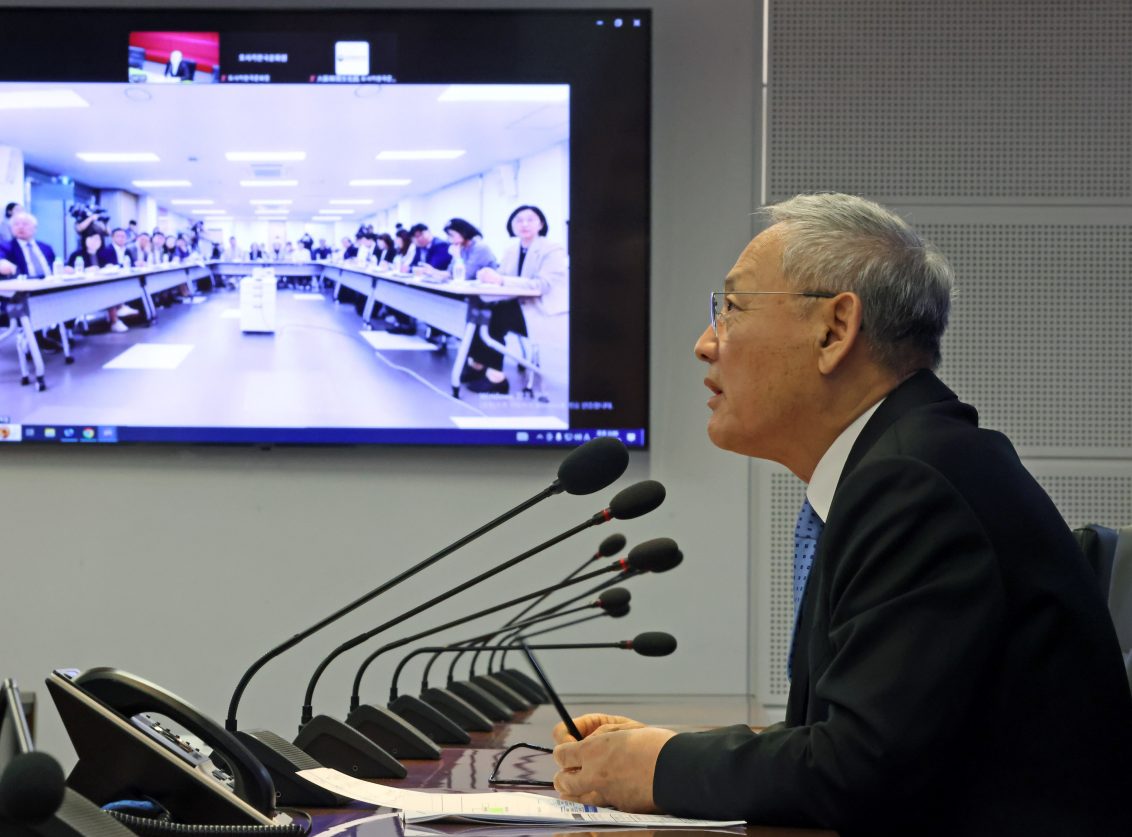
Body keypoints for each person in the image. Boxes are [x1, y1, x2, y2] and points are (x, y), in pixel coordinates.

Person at [548, 193, 1132, 834]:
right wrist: (661, 750)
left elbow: (858, 771)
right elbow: (847, 736)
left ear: (834, 330)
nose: (705, 344)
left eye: (732, 309)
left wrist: (661, 768)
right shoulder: (907, 464)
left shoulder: (915, 485)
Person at [461, 205, 570, 393]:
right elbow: (502, 275)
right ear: (512, 225)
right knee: (479, 309)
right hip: (518, 307)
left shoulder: (553, 249)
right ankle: (478, 364)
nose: (524, 224)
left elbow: (542, 285)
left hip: (542, 311)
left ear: (541, 224)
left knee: (495, 316)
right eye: (519, 220)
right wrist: (489, 274)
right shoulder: (512, 249)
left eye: (530, 219)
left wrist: (501, 279)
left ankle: (496, 378)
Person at [0, 212, 55, 279]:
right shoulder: (5, 246)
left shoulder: (46, 247)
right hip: (26, 286)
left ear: (35, 228)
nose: (20, 227)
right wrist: (1, 263)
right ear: (11, 229)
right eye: (16, 224)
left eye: (25, 224)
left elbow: (55, 264)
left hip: (52, 284)